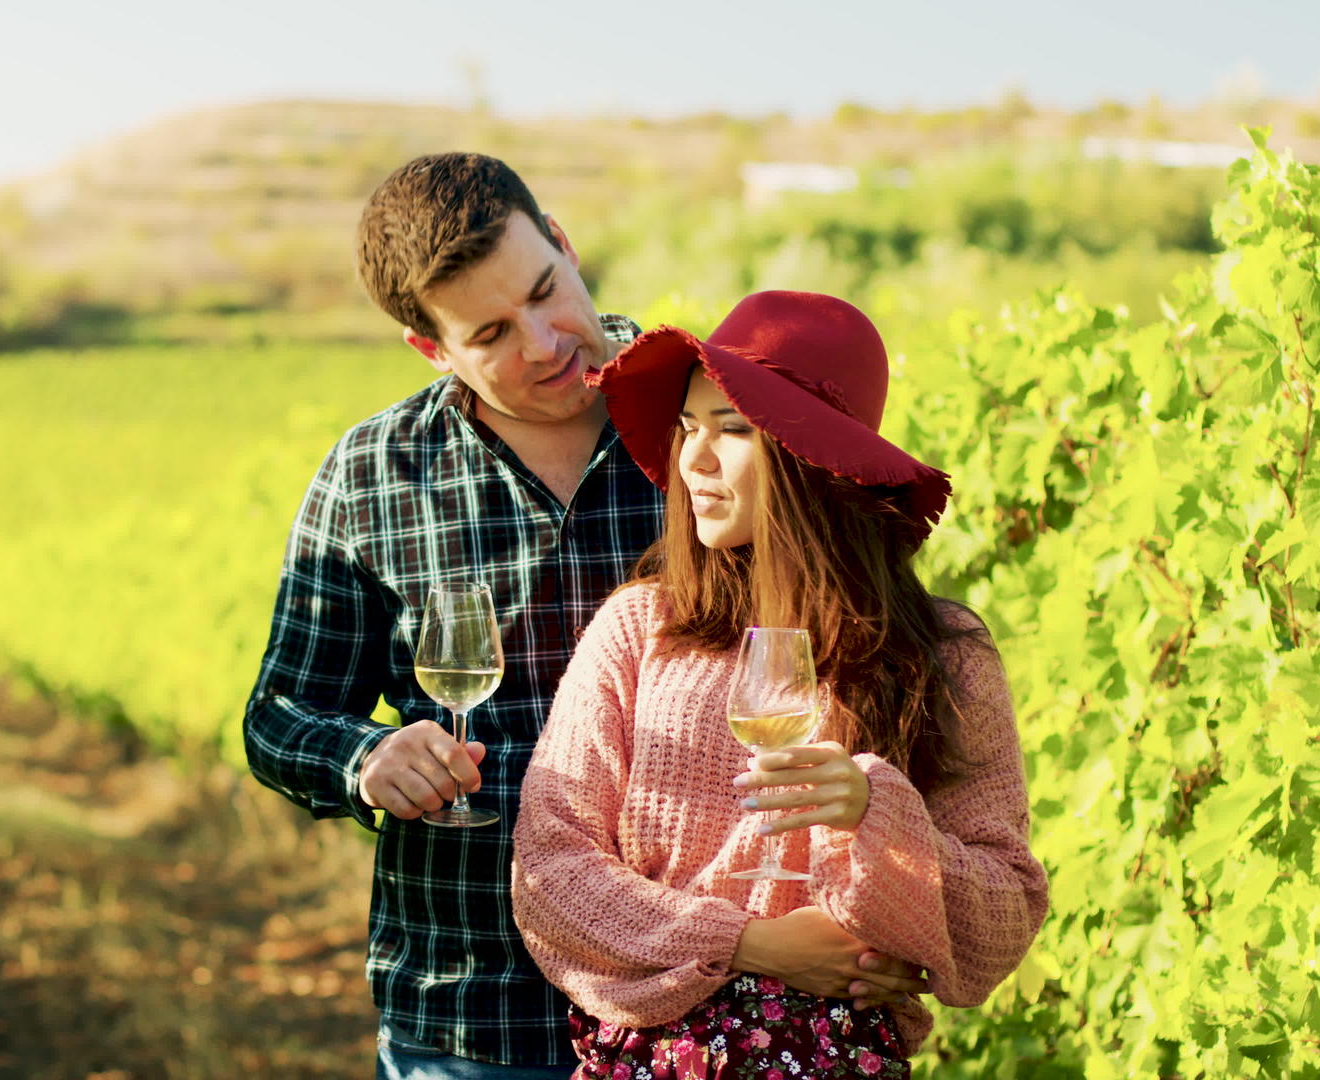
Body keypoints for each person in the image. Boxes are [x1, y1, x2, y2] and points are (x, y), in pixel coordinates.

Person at [244, 156, 929, 1080]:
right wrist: (366, 758)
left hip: (710, 1020)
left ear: (564, 243)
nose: (543, 341)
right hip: (471, 1007)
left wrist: (881, 905)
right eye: (490, 332)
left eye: (545, 290)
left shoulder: (710, 411)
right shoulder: (373, 476)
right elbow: (277, 716)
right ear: (430, 348)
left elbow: (858, 646)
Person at [511, 290, 1049, 1079]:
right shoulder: (639, 629)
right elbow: (550, 873)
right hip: (660, 1061)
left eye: (731, 432)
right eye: (688, 428)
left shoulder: (944, 653)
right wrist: (752, 944)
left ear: (811, 458)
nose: (693, 461)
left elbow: (1000, 923)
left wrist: (877, 812)